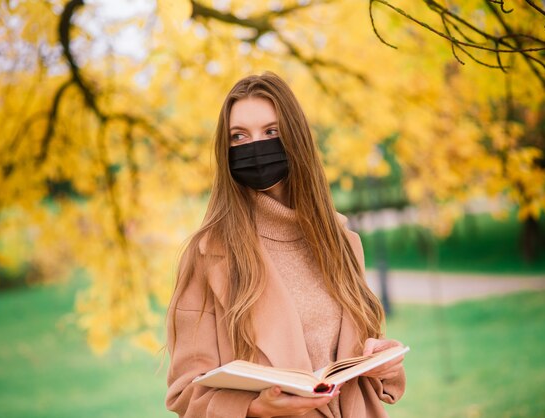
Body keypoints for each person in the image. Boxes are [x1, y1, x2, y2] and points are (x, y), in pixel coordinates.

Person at [165, 71, 406, 418]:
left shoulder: (342, 243)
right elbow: (185, 393)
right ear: (226, 148)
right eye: (239, 136)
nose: (255, 147)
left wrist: (386, 364)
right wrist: (255, 408)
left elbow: (362, 355)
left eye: (271, 132)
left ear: (294, 138)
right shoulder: (208, 255)